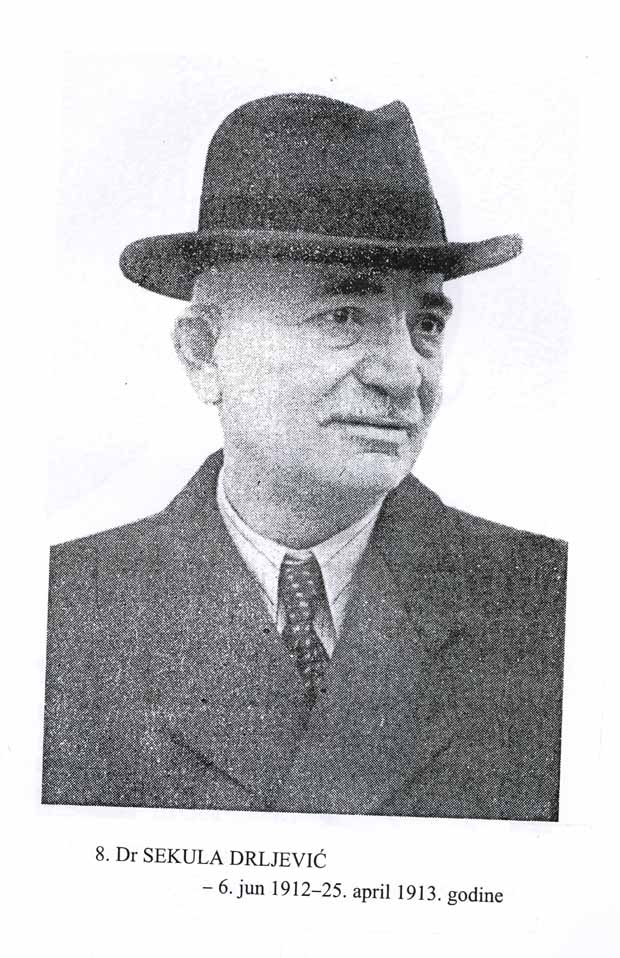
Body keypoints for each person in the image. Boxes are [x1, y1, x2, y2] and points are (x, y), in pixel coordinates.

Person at [42, 92, 567, 820]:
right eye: (343, 315)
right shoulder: (59, 614)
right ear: (204, 354)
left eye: (425, 324)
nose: (404, 374)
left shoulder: (550, 606)